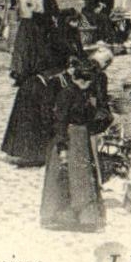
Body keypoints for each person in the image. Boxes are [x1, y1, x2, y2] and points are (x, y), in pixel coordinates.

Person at [40, 58, 105, 232]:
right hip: (69, 140)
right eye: (89, 81)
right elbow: (60, 121)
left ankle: (85, 218)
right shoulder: (66, 94)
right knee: (68, 178)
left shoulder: (82, 93)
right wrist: (62, 148)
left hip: (81, 140)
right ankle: (63, 217)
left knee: (82, 178)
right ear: (82, 79)